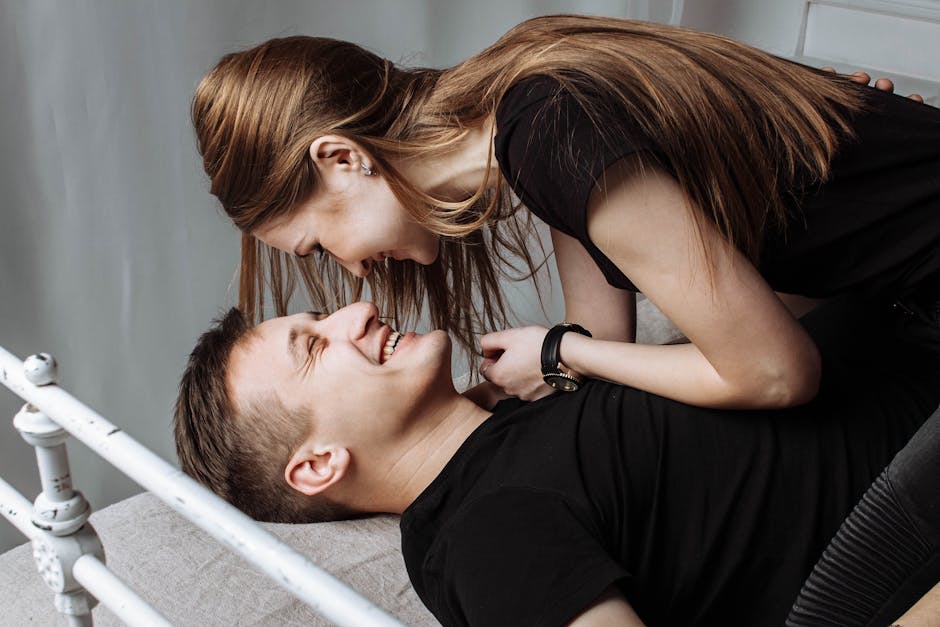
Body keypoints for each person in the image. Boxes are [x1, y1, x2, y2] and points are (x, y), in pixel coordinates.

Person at [191, 15, 940, 410]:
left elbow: (775, 374)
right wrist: (485, 393)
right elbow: (602, 338)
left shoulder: (551, 132)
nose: (353, 273)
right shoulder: (526, 106)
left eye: (319, 245)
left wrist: (560, 354)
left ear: (340, 157)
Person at [174, 298, 940, 626]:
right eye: (315, 345)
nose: (358, 310)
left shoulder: (525, 412)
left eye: (322, 312)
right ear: (317, 465)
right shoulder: (484, 536)